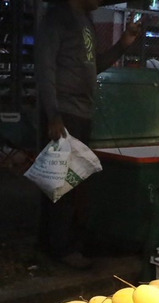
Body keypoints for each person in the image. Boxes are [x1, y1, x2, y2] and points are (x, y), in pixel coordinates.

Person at [34, 0, 141, 269]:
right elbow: (45, 66)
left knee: (72, 181)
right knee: (61, 182)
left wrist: (122, 44)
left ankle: (60, 243)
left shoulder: (85, 21)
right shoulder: (58, 17)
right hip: (64, 112)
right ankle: (60, 247)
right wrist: (53, 114)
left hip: (79, 112)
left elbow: (94, 65)